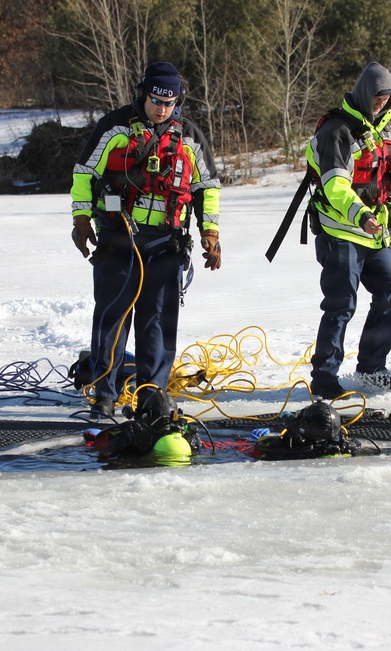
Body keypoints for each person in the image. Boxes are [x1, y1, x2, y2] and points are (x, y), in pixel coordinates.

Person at [70, 61, 222, 418]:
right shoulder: (114, 127)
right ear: (142, 95)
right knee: (113, 318)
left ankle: (152, 396)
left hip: (166, 244)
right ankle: (104, 394)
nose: (161, 108)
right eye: (156, 100)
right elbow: (83, 172)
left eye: (169, 103)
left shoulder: (190, 136)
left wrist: (210, 232)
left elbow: (207, 188)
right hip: (117, 240)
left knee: (157, 322)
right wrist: (80, 218)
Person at [306, 62, 391, 400]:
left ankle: (371, 370)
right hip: (340, 232)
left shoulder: (377, 133)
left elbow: (380, 185)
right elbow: (336, 186)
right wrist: (362, 215)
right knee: (341, 304)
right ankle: (324, 378)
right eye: (378, 97)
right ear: (365, 93)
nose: (381, 103)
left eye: (387, 99)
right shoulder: (337, 131)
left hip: (372, 234)